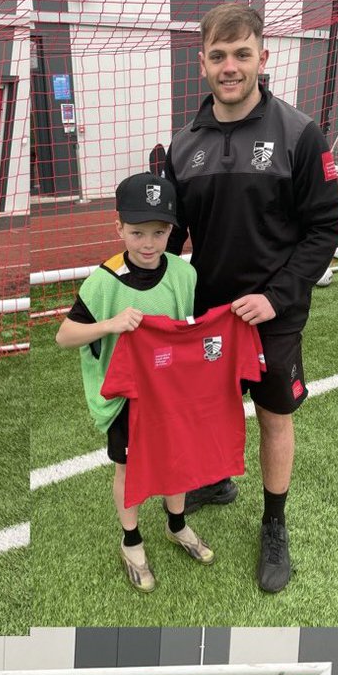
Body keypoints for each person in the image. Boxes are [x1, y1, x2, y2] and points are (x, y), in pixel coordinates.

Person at [165, 3, 338, 592]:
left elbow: (327, 226)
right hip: (210, 316)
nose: (230, 66)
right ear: (202, 64)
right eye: (218, 56)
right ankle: (217, 481)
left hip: (273, 317)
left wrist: (276, 296)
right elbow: (171, 237)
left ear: (262, 58)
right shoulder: (183, 144)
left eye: (242, 53)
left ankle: (274, 524)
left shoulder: (298, 133)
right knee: (209, 411)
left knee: (273, 417)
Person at [55, 172, 212, 592]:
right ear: (119, 228)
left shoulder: (183, 273)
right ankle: (131, 540)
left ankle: (177, 525)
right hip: (126, 397)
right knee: (128, 466)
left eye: (159, 233)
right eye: (137, 232)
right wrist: (111, 324)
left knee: (175, 457)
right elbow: (64, 336)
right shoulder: (104, 281)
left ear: (171, 232)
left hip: (170, 391)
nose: (148, 244)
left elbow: (190, 329)